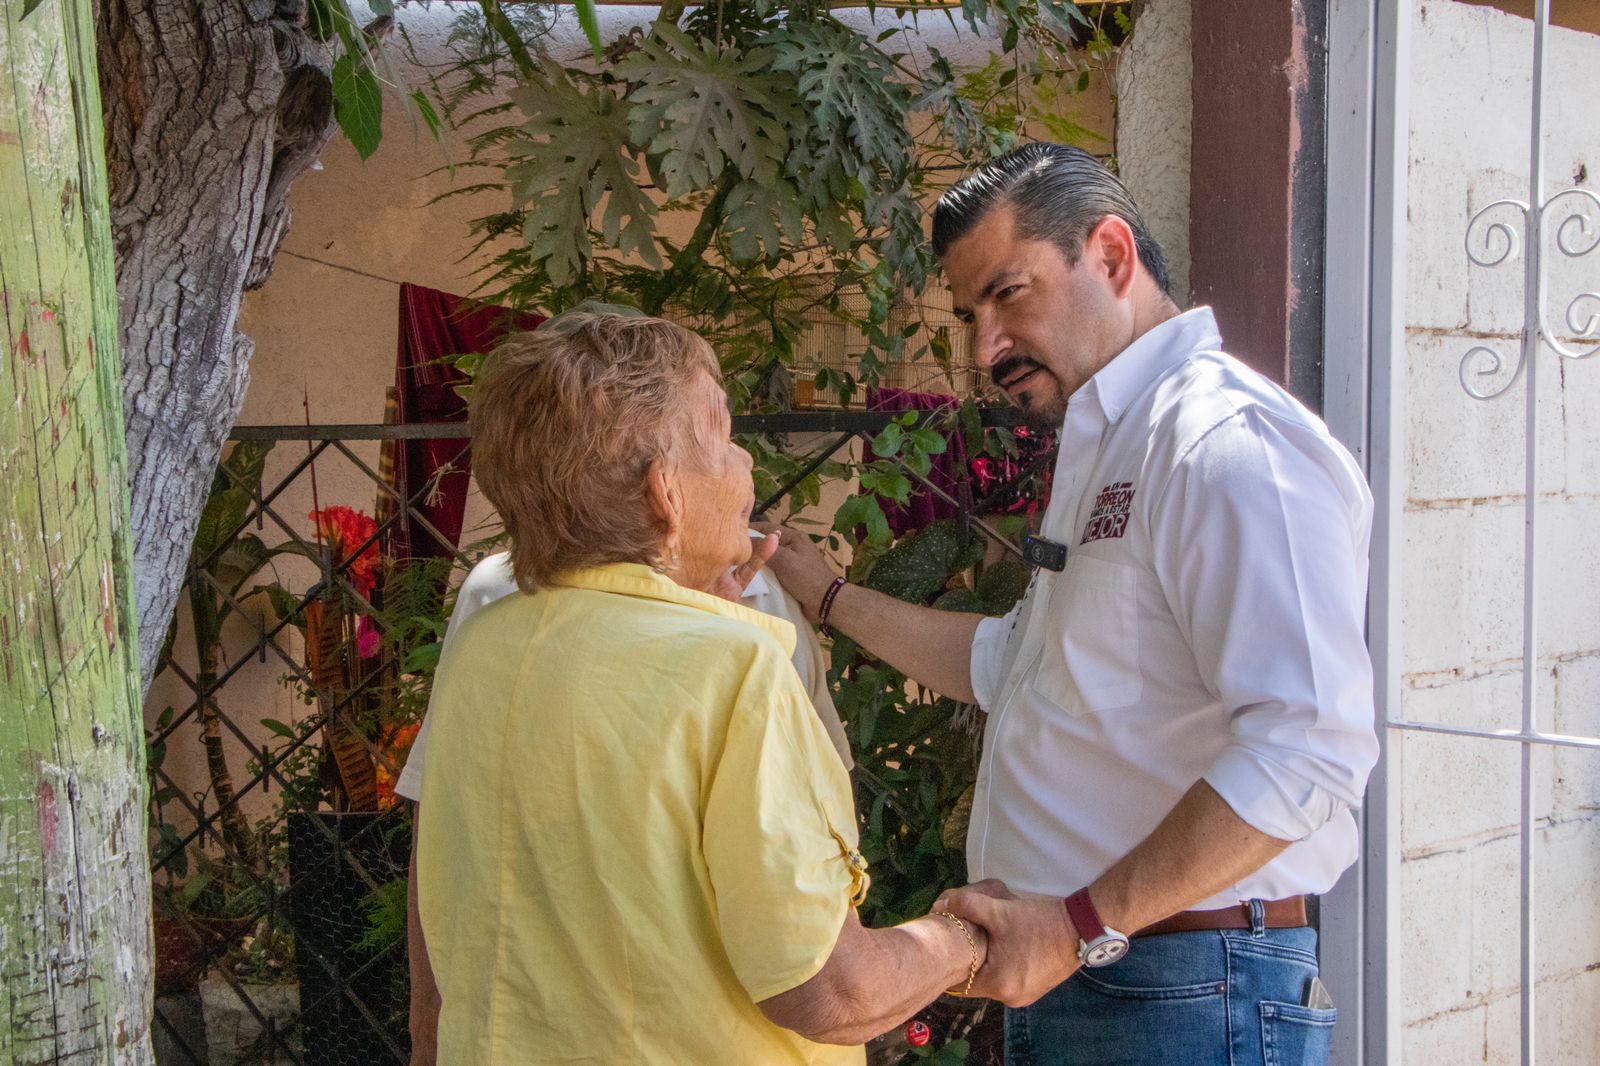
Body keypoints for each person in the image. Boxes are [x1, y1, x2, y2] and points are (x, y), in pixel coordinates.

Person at [758, 142, 1379, 1066]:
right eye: (971, 313)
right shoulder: (1112, 442)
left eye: (1010, 295)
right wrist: (827, 595)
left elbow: (1307, 747)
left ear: (1114, 256)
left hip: (1185, 985)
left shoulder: (1224, 443)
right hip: (1105, 976)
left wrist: (1083, 923)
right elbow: (1012, 664)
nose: (985, 348)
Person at [411, 312, 986, 1065]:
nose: (745, 462)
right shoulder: (736, 666)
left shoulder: (487, 644)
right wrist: (961, 941)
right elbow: (828, 990)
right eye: (721, 435)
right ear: (665, 493)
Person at [396, 533, 853, 1064]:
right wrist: (426, 1022)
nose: (745, 464)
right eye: (723, 448)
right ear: (665, 483)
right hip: (543, 1013)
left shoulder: (763, 591)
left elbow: (819, 810)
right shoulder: (498, 590)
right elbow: (441, 810)